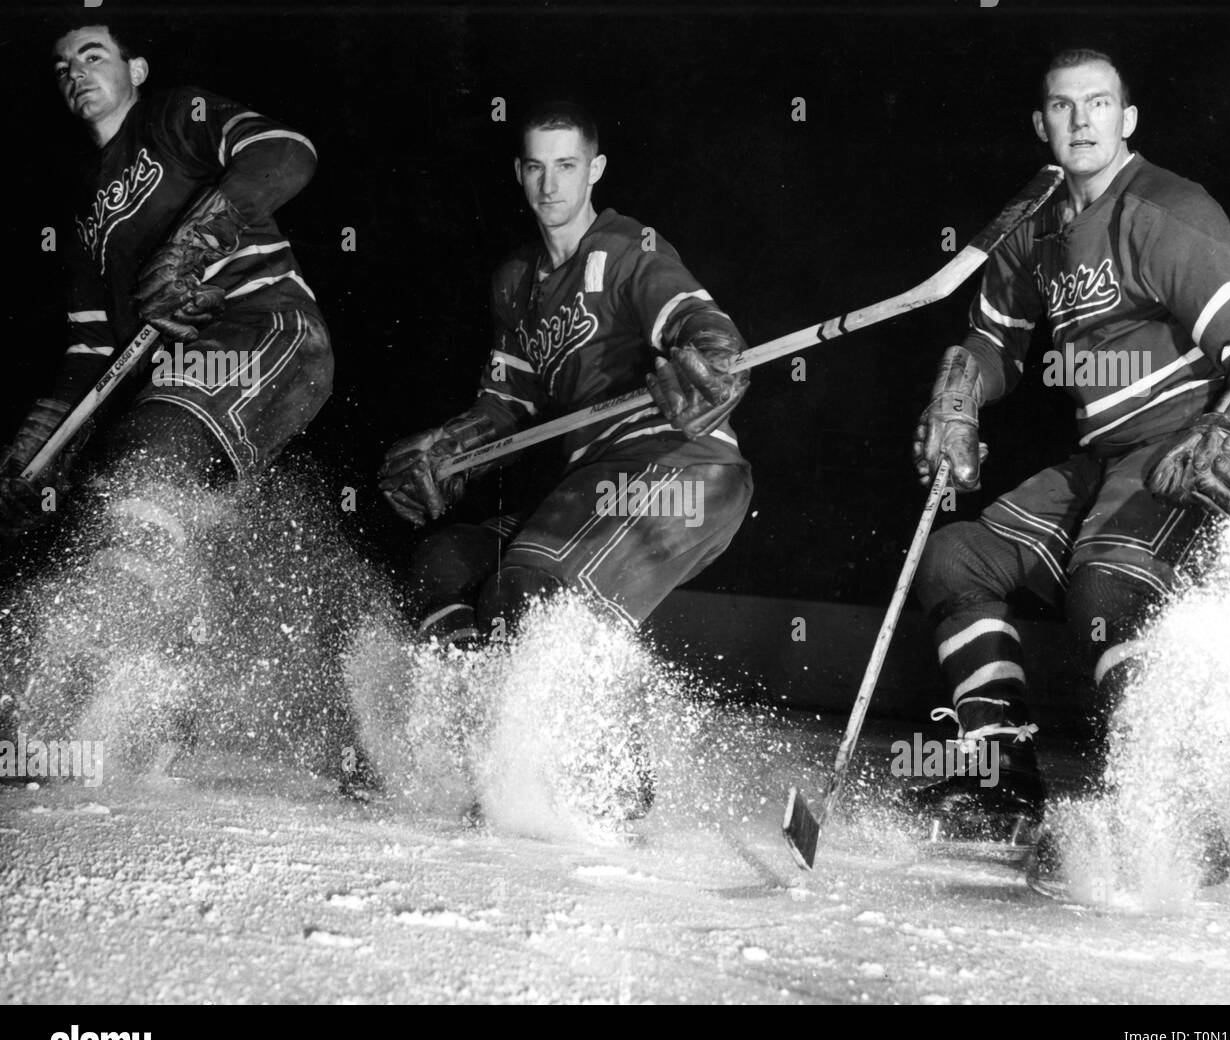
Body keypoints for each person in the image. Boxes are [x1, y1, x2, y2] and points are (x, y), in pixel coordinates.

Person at [908, 48, 1230, 841]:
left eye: (1097, 104)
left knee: (1104, 588)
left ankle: (1172, 814)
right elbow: (994, 345)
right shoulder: (1031, 231)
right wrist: (958, 398)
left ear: (1126, 120)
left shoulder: (1164, 210)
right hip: (1102, 456)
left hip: (1178, 446)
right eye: (1062, 105)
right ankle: (1001, 784)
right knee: (955, 557)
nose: (1080, 119)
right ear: (1041, 123)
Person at [379, 101, 752, 641]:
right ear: (520, 172)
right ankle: (466, 718)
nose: (549, 184)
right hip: (593, 481)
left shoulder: (628, 249)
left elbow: (701, 324)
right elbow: (506, 404)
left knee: (527, 594)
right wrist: (448, 449)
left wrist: (714, 358)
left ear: (595, 170)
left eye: (567, 166)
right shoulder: (514, 280)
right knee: (447, 563)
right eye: (537, 167)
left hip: (684, 469)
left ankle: (577, 725)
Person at [0, 21, 331, 566]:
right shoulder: (82, 203)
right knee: (125, 499)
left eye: (92, 56)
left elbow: (286, 150)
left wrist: (193, 244)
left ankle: (116, 631)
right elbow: (91, 344)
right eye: (64, 68)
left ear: (136, 70)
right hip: (176, 375)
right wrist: (44, 444)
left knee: (145, 457)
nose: (76, 73)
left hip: (259, 327)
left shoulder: (174, 115)